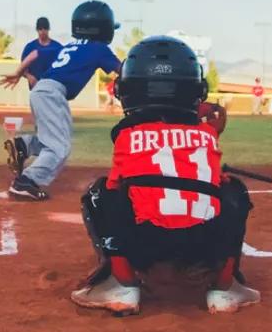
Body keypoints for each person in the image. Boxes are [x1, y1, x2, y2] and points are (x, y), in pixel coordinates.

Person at [70, 36, 258, 316]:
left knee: (101, 193)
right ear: (196, 91)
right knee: (234, 191)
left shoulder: (125, 135)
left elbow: (116, 187)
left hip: (144, 247)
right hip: (202, 245)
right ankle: (224, 290)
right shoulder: (207, 136)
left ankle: (122, 284)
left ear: (128, 91)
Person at [0, 0, 121, 201]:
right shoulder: (99, 48)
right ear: (102, 29)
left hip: (40, 90)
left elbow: (35, 54)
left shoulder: (70, 46)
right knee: (59, 148)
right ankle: (26, 182)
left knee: (51, 140)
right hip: (53, 93)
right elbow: (122, 69)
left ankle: (24, 145)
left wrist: (18, 73)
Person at [21, 17, 63, 89]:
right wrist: (29, 77)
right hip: (36, 88)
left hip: (53, 88)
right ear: (37, 30)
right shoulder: (30, 47)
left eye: (45, 28)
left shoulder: (57, 47)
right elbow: (22, 68)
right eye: (40, 29)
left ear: (48, 29)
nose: (43, 31)